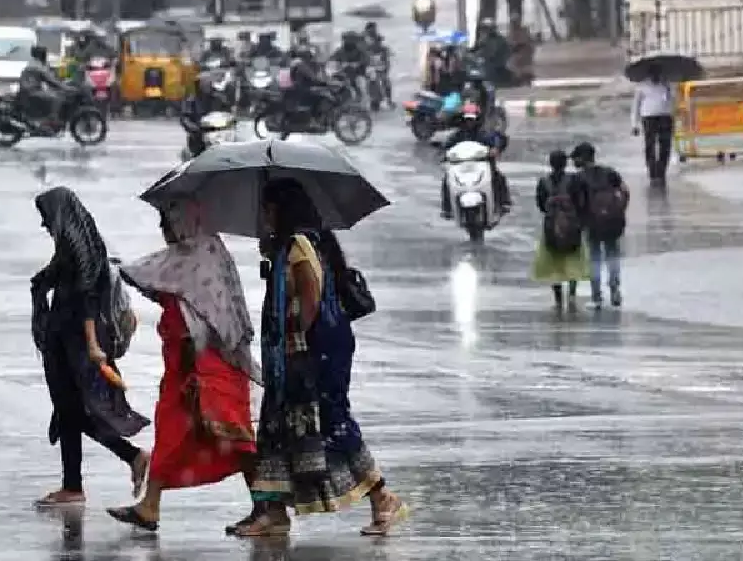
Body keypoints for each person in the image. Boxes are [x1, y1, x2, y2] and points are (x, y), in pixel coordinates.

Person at [231, 178, 407, 538]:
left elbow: (310, 298)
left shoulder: (299, 245)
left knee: (331, 422)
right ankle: (273, 511)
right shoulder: (292, 245)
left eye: (267, 209)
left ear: (281, 210)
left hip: (312, 353)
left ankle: (383, 496)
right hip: (297, 354)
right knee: (278, 427)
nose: (264, 216)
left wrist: (298, 348)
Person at [107, 202, 257, 532]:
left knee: (235, 436)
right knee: (171, 430)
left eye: (168, 224)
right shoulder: (183, 258)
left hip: (212, 366)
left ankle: (268, 508)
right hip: (183, 369)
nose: (165, 232)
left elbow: (215, 315)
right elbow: (162, 284)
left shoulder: (204, 256)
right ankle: (149, 507)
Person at [30, 187, 150, 508]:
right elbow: (53, 280)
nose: (43, 224)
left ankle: (128, 459)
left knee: (73, 411)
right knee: (70, 412)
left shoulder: (77, 248)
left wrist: (93, 345)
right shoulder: (79, 243)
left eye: (45, 217)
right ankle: (76, 484)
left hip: (75, 344)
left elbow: (86, 298)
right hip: (65, 340)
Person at [570, 142, 629, 308]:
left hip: (592, 223)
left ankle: (596, 295)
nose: (573, 162)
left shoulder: (578, 178)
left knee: (594, 257)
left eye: (575, 158)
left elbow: (575, 204)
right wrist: (620, 210)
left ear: (582, 158)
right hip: (612, 221)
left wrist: (579, 223)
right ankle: (615, 288)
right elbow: (625, 190)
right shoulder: (610, 173)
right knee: (612, 254)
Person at [532, 150, 588, 311]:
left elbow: (541, 205)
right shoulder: (574, 180)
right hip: (572, 225)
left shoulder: (543, 182)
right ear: (565, 164)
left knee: (554, 262)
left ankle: (558, 296)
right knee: (572, 259)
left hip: (551, 226)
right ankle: (572, 293)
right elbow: (581, 202)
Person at [440, 106, 511, 218]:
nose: (469, 123)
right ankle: (447, 208)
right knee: (447, 180)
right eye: (467, 119)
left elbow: (499, 139)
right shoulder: (458, 135)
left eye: (472, 119)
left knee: (499, 177)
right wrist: (444, 154)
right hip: (462, 167)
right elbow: (446, 146)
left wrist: (495, 148)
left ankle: (504, 203)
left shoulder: (484, 133)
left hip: (482, 166)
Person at [632, 64, 674, 183]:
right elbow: (636, 106)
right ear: (649, 74)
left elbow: (671, 100)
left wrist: (668, 88)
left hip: (665, 116)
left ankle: (662, 170)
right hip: (649, 117)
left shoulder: (665, 84)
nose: (656, 76)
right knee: (650, 144)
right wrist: (634, 124)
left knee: (665, 144)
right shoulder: (641, 86)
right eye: (654, 73)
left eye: (658, 73)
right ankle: (652, 170)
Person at [19, 44, 68, 126]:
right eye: (45, 53)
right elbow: (50, 80)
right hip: (32, 91)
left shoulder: (35, 62)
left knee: (52, 93)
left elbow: (50, 75)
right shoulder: (37, 65)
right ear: (41, 54)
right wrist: (65, 87)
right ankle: (52, 120)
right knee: (57, 98)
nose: (46, 55)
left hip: (30, 90)